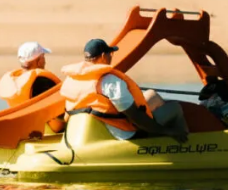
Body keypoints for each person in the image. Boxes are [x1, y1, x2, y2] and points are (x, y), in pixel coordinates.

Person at [59, 39, 188, 143]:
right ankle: (187, 145)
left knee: (152, 95)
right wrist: (166, 131)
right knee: (175, 108)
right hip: (124, 133)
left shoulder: (72, 79)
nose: (111, 57)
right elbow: (136, 118)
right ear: (104, 56)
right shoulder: (109, 82)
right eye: (111, 54)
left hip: (94, 126)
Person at [0, 41, 61, 107]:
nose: (44, 60)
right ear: (39, 61)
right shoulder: (43, 81)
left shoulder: (14, 81)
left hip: (20, 115)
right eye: (43, 56)